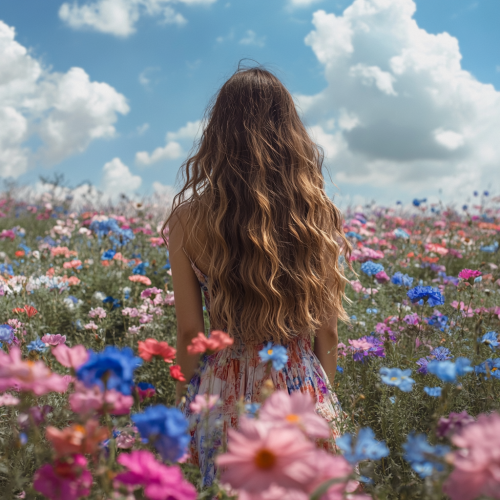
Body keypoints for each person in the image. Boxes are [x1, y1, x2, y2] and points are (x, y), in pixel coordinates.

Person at [164, 65, 351, 487]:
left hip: (221, 389)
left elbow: (191, 332)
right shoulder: (315, 214)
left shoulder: (187, 220)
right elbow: (328, 335)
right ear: (291, 134)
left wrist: (183, 408)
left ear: (218, 134)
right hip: (299, 386)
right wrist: (321, 399)